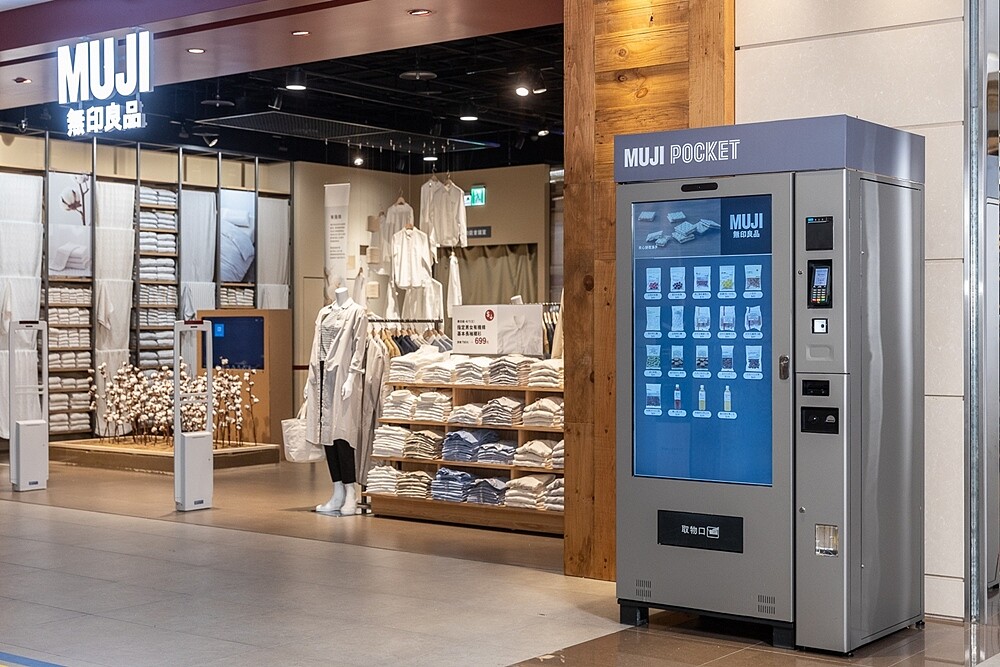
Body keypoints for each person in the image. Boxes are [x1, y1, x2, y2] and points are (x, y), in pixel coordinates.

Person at [304, 286, 367, 515]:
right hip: (321, 377)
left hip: (342, 376)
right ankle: (337, 490)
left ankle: (351, 492)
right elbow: (316, 346)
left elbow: (358, 348)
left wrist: (351, 377)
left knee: (343, 434)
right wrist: (309, 380)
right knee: (326, 435)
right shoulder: (324, 312)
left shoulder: (357, 312)